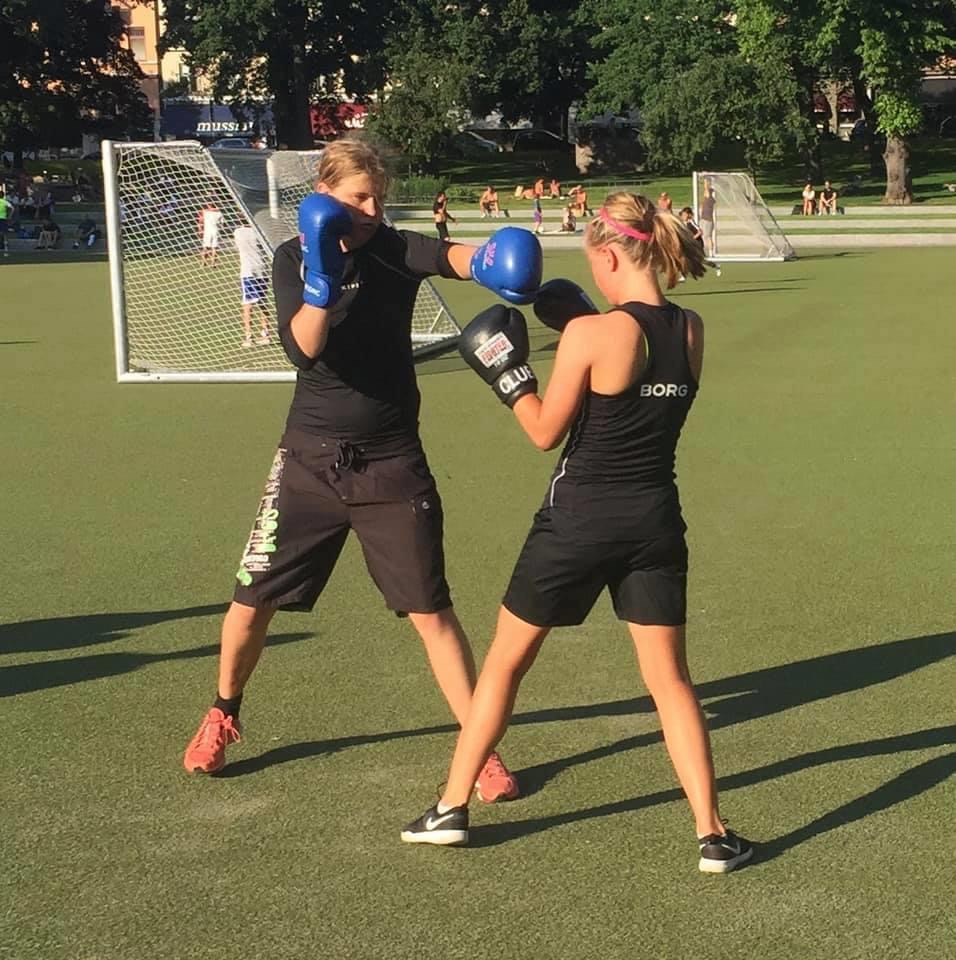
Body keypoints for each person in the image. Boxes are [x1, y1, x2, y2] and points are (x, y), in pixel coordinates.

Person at [401, 192, 753, 875]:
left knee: (506, 663)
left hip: (578, 520)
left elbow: (542, 430)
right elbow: (637, 377)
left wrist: (507, 371)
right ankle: (713, 835)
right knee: (671, 682)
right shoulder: (690, 329)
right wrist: (585, 324)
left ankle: (449, 808)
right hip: (654, 519)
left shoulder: (595, 336)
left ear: (610, 254)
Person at [182, 139, 544, 801]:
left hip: (390, 461)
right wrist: (321, 284)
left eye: (378, 197)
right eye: (358, 198)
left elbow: (452, 258)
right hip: (308, 461)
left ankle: (478, 746)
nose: (372, 209)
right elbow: (303, 349)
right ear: (326, 194)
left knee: (431, 613)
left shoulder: (392, 248)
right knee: (250, 602)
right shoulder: (294, 257)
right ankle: (222, 713)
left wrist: (492, 261)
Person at [233, 223, 272, 347]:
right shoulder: (260, 231)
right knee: (262, 302)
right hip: (262, 268)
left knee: (247, 304)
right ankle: (266, 334)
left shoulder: (238, 232)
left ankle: (248, 336)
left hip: (248, 270)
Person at [198, 200, 223, 265]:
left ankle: (203, 262)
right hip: (215, 230)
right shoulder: (219, 213)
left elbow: (201, 221)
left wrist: (200, 229)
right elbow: (222, 224)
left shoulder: (205, 212)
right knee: (214, 247)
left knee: (205, 247)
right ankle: (213, 263)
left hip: (207, 231)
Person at [699, 179, 716, 257]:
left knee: (708, 236)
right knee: (703, 236)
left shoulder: (710, 198)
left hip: (708, 220)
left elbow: (706, 189)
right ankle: (703, 251)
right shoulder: (707, 198)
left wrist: (705, 179)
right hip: (703, 219)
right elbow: (706, 189)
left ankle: (711, 253)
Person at [0, 188, 10, 256]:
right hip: (3, 219)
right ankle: (6, 250)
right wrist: (9, 216)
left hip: (3, 219)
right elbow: (12, 208)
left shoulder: (4, 201)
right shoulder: (5, 201)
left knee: (4, 233)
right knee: (4, 234)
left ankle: (6, 250)